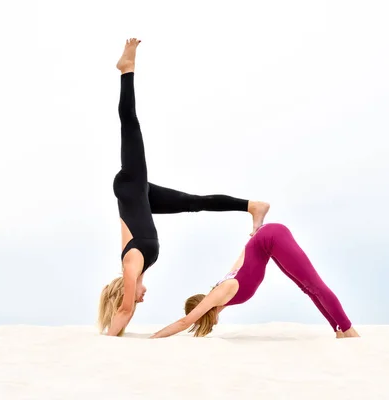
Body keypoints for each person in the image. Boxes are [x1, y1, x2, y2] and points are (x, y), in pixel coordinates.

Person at [98, 38, 270, 337]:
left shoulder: (131, 264)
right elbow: (127, 308)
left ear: (123, 292)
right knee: (194, 201)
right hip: (138, 195)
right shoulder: (139, 266)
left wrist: (109, 339)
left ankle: (127, 70)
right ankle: (251, 205)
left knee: (131, 126)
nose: (142, 298)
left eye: (137, 298)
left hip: (130, 186)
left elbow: (125, 309)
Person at [150, 223, 360, 339]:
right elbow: (243, 256)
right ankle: (339, 330)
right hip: (266, 241)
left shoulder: (221, 292)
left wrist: (153, 339)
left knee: (315, 285)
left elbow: (184, 322)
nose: (197, 321)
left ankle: (348, 329)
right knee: (308, 288)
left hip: (272, 237)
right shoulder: (225, 288)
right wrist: (255, 236)